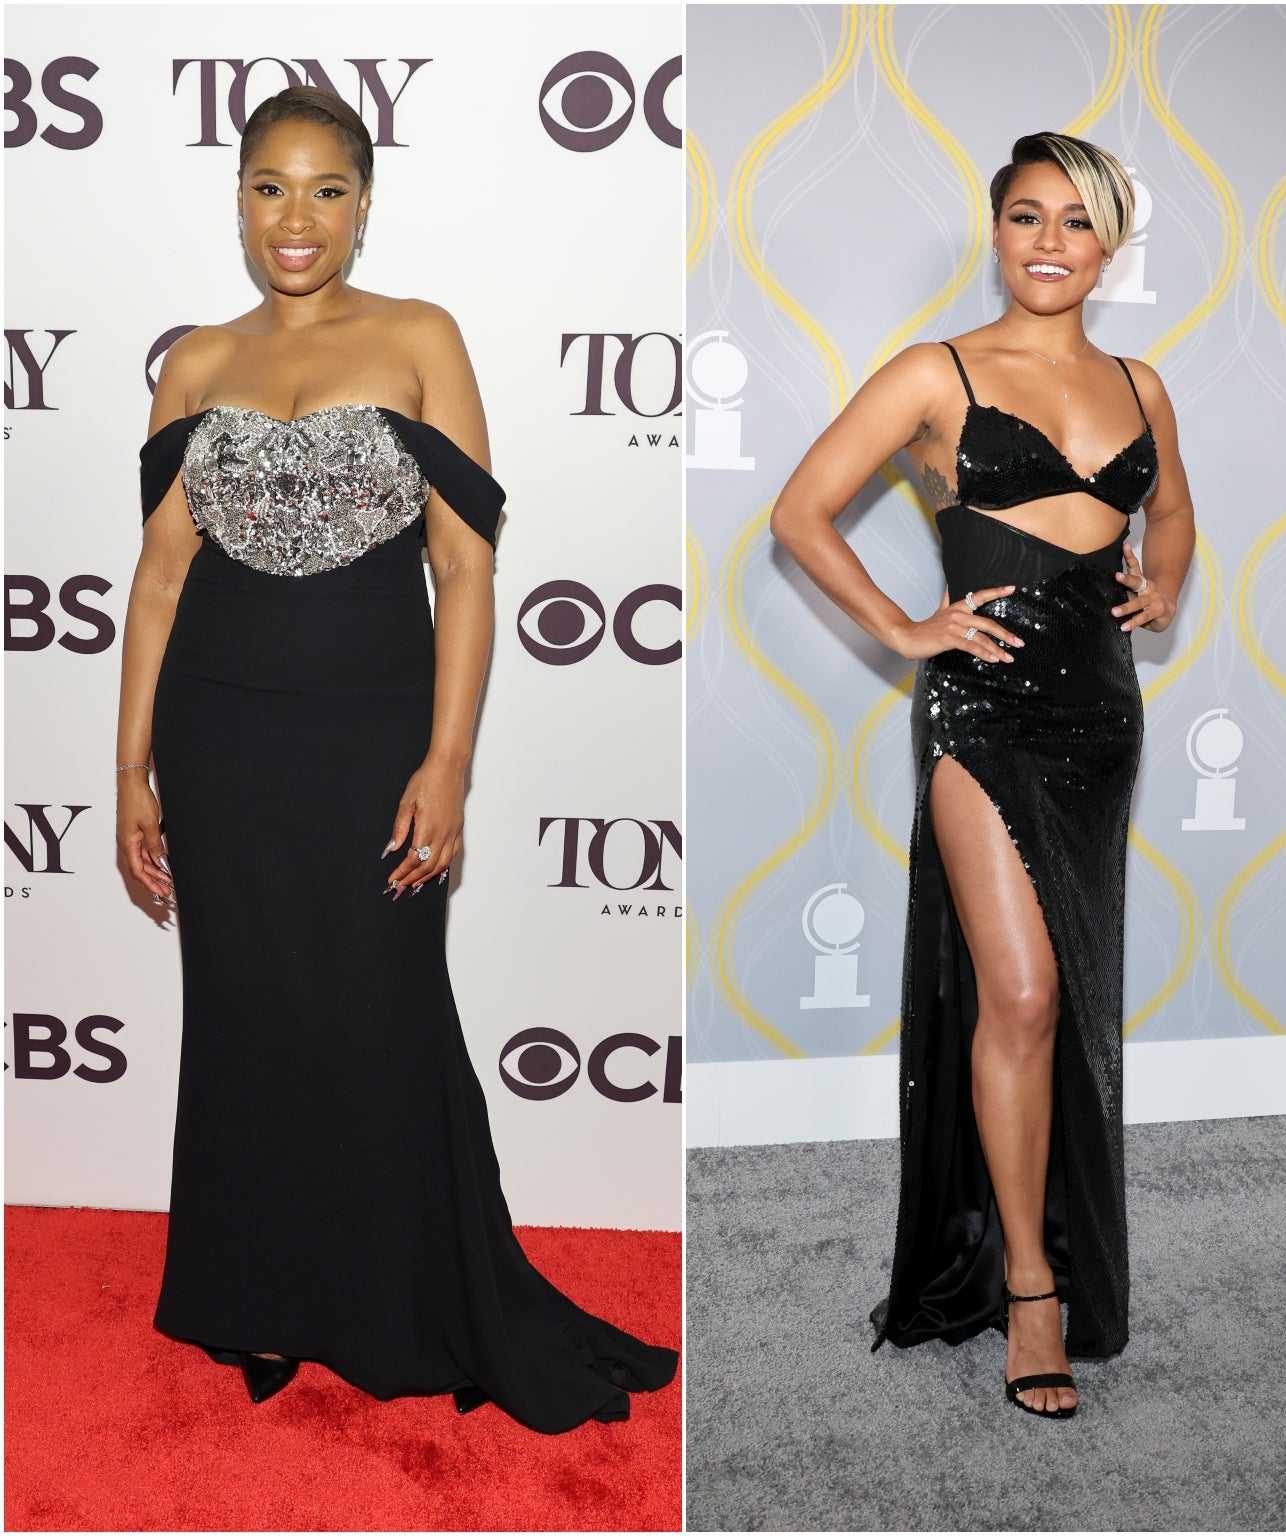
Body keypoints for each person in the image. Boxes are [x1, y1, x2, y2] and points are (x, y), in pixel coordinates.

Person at [116, 85, 677, 1433]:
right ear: (239, 201)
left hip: (371, 730)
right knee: (247, 1020)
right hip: (219, 734)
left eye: (323, 189)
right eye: (268, 188)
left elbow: (467, 573)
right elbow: (156, 581)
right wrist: (131, 767)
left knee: (377, 1016)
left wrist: (450, 763)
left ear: (365, 202)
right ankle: (257, 1297)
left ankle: (394, 1297)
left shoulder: (422, 337)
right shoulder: (194, 360)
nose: (294, 218)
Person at [769, 132, 1194, 1419]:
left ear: (1108, 246)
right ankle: (1026, 1286)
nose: (1049, 242)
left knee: (1065, 991)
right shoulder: (936, 373)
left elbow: (1165, 512)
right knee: (1015, 990)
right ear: (995, 230)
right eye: (1026, 216)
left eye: (1076, 222)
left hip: (1099, 721)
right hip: (980, 710)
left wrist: (1162, 578)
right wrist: (907, 630)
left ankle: (1044, 1248)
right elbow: (798, 512)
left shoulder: (1142, 384)